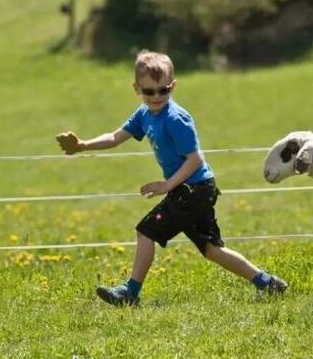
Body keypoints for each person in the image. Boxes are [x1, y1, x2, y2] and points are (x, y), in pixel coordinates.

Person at [55, 50, 288, 306]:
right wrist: (83, 146)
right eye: (148, 91)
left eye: (163, 90)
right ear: (136, 89)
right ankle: (267, 283)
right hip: (191, 189)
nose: (156, 97)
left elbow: (195, 159)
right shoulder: (144, 114)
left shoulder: (176, 119)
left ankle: (130, 293)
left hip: (194, 189)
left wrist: (167, 185)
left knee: (146, 231)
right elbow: (114, 137)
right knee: (211, 249)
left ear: (173, 86)